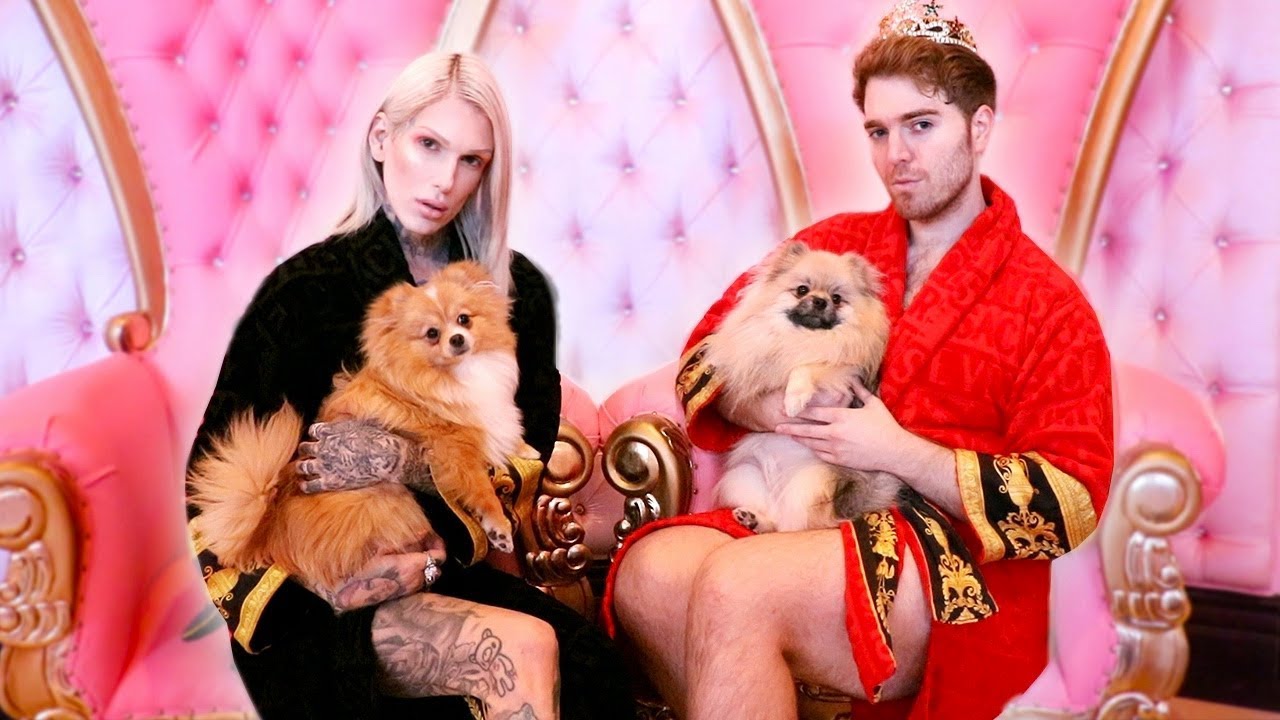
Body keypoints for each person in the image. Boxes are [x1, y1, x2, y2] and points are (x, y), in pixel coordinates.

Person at [605, 2, 1114, 719]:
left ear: (979, 127)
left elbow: (1070, 503)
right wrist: (778, 408)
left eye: (920, 125)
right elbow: (701, 364)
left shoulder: (1050, 303)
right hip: (796, 507)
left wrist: (897, 451)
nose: (895, 154)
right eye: (878, 131)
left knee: (739, 585)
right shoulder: (833, 245)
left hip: (948, 558)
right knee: (649, 576)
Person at [187, 51, 635, 720]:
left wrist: (408, 464)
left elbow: (525, 458)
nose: (444, 180)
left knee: (594, 670)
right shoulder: (304, 292)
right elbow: (213, 480)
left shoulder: (517, 293)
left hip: (448, 566)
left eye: (471, 160)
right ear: (381, 139)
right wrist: (314, 592)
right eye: (429, 145)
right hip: (310, 595)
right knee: (514, 652)